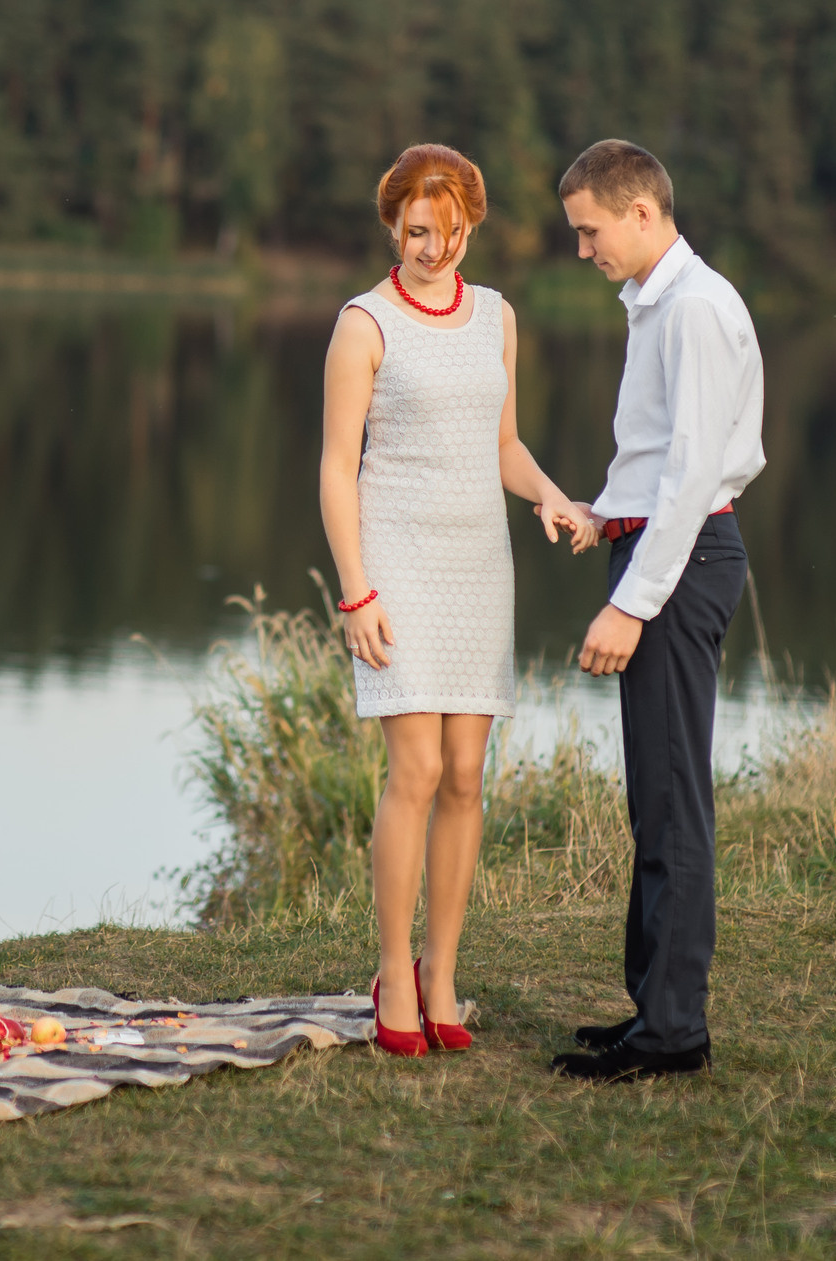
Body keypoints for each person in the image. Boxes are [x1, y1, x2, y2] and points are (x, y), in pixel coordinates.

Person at [320, 143, 596, 1059]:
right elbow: (336, 469)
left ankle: (442, 973)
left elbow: (504, 443)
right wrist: (356, 592)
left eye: (447, 230)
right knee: (418, 771)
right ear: (393, 226)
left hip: (481, 560)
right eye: (415, 231)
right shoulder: (363, 325)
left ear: (471, 225)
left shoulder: (496, 318)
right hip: (396, 558)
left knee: (469, 777)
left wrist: (551, 494)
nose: (432, 247)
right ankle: (393, 971)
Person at [547, 139, 766, 1084]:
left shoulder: (699, 309)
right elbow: (655, 457)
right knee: (655, 797)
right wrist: (607, 515)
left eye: (590, 230)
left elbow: (692, 476)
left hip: (681, 562)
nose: (583, 249)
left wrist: (633, 604)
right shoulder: (658, 306)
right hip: (656, 544)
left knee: (674, 802)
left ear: (642, 213)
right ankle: (654, 1008)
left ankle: (675, 1032)